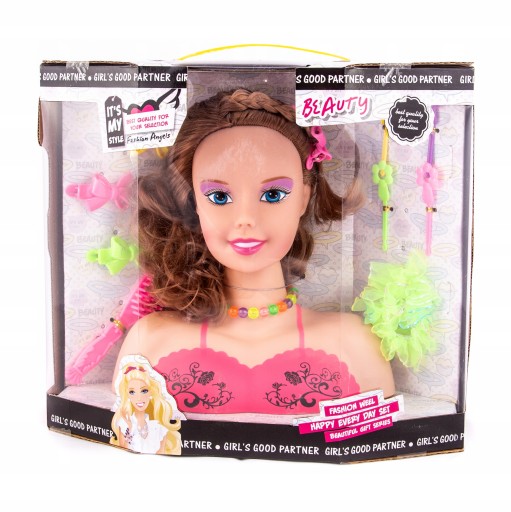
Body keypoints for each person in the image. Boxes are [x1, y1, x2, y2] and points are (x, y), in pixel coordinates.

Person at [114, 89, 394, 419]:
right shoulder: (149, 341)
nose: (246, 218)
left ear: (304, 198)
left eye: (273, 194)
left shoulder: (355, 344)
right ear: (194, 204)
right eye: (219, 197)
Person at [111, 356, 182, 454]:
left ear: (151, 393)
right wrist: (130, 427)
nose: (139, 398)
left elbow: (161, 455)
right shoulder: (124, 424)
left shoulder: (159, 427)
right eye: (132, 392)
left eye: (144, 391)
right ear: (128, 396)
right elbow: (123, 451)